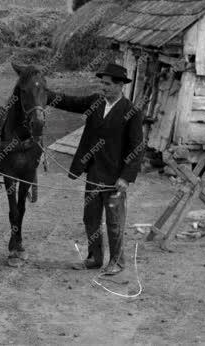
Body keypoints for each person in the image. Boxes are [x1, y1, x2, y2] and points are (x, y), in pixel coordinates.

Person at [47, 63, 144, 275]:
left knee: (114, 222)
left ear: (120, 86)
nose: (104, 87)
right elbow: (69, 102)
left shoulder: (131, 112)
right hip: (94, 173)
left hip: (114, 178)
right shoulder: (95, 102)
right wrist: (43, 93)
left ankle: (117, 262)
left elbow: (136, 148)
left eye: (108, 84)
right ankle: (94, 258)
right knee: (90, 218)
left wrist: (126, 178)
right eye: (102, 83)